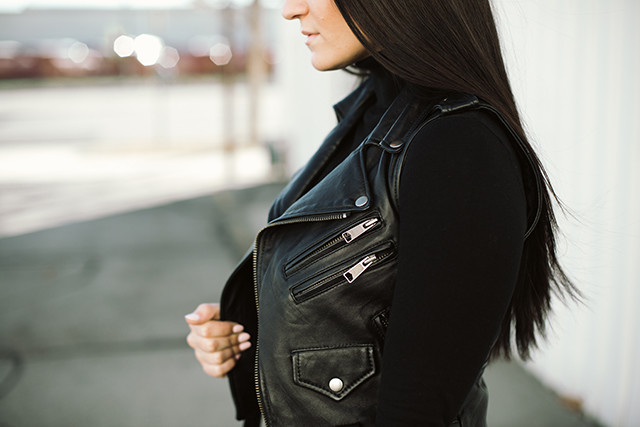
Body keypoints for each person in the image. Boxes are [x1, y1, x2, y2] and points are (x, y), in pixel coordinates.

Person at [185, 0, 577, 425]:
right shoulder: (372, 114)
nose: (290, 9)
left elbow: (416, 411)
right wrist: (252, 329)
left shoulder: (457, 149)